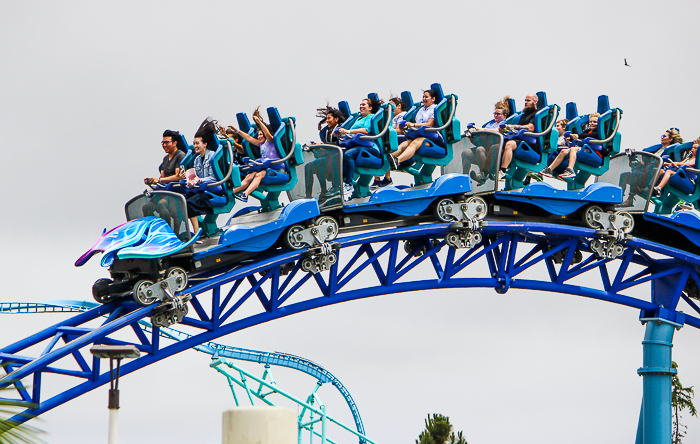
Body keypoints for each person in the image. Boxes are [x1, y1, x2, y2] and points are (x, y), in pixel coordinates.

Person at [229, 107, 283, 203]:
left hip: (277, 169)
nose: (259, 136)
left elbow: (267, 134)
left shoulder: (271, 142)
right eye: (258, 134)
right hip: (266, 169)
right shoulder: (260, 144)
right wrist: (237, 131)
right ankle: (230, 193)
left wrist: (259, 123)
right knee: (249, 176)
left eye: (261, 134)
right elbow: (248, 138)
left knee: (259, 175)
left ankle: (245, 194)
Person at [337, 97, 383, 197]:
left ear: (370, 108)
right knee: (337, 155)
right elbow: (350, 134)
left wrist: (347, 131)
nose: (361, 106)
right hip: (358, 147)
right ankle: (340, 183)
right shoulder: (358, 118)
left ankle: (349, 184)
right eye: (360, 105)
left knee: (349, 154)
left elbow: (365, 131)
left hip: (370, 148)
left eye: (364, 105)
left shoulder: (370, 117)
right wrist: (341, 134)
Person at [182, 119, 219, 235]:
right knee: (181, 201)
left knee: (190, 203)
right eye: (194, 143)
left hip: (210, 189)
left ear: (205, 144)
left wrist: (199, 180)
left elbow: (213, 178)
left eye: (197, 143)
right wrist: (188, 178)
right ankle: (188, 233)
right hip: (199, 189)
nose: (195, 146)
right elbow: (195, 175)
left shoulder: (212, 156)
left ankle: (197, 232)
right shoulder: (197, 159)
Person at [388, 89, 439, 169]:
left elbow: (430, 124)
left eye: (426, 97)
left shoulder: (434, 108)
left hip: (432, 137)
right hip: (419, 134)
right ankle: (389, 158)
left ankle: (397, 160)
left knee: (414, 143)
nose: (424, 99)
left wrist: (413, 124)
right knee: (405, 144)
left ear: (433, 99)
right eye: (423, 97)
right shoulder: (421, 110)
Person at [498, 93, 539, 179]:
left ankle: (503, 171)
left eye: (528, 100)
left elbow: (530, 128)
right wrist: (506, 129)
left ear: (535, 102)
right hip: (520, 139)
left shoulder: (536, 114)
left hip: (530, 143)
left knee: (510, 144)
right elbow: (516, 129)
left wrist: (515, 126)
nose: (525, 102)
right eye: (525, 100)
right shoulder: (523, 116)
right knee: (499, 145)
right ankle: (491, 171)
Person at [371, 96, 406, 189]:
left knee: (386, 151)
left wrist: (388, 130)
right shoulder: (391, 117)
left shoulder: (401, 115)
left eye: (392, 106)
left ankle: (387, 178)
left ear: (399, 106)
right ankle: (377, 179)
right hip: (389, 139)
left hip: (398, 139)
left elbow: (400, 130)